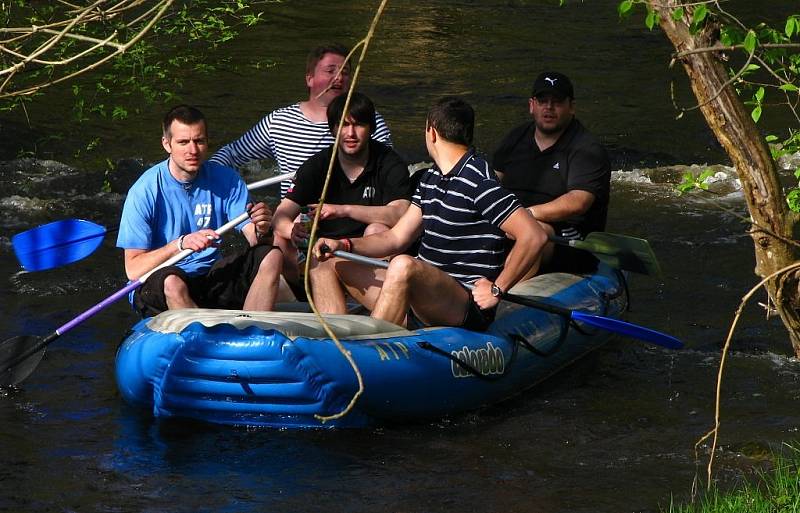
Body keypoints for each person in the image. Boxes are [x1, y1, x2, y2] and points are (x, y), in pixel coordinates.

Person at [313, 97, 547, 330]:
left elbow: (534, 235)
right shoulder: (431, 178)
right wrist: (343, 244)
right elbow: (395, 238)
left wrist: (497, 288)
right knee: (329, 261)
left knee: (404, 264)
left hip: (462, 303)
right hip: (423, 297)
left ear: (431, 132)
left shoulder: (478, 181)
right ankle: (330, 344)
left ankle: (370, 350)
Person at [209, 42, 393, 291]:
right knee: (276, 235)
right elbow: (231, 155)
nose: (339, 78)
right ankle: (298, 294)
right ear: (309, 78)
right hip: (300, 222)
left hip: (355, 222)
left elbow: (386, 176)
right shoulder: (280, 122)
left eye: (345, 72)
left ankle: (371, 294)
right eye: (330, 70)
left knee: (379, 228)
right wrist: (212, 180)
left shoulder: (369, 123)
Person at [116, 105, 284, 317]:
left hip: (209, 278)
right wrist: (180, 244)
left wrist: (263, 229)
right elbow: (133, 269)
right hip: (161, 282)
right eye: (183, 142)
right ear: (167, 144)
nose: (193, 151)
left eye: (199, 141)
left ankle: (252, 331)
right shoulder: (144, 191)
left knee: (271, 256)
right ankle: (203, 336)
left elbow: (256, 241)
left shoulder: (228, 180)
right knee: (173, 282)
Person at [271, 92, 412, 313]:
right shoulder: (317, 166)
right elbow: (281, 214)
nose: (350, 133)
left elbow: (400, 213)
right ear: (333, 129)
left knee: (377, 228)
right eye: (343, 125)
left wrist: (344, 210)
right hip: (324, 253)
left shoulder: (390, 163)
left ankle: (381, 307)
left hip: (368, 256)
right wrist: (292, 230)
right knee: (281, 237)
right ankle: (305, 304)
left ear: (371, 128)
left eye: (358, 125)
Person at [492, 71, 611, 276]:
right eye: (543, 101)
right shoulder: (515, 138)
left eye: (557, 102)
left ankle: (500, 294)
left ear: (571, 107)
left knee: (534, 231)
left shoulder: (587, 149)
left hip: (565, 241)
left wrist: (524, 215)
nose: (549, 107)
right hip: (511, 224)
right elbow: (492, 183)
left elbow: (578, 201)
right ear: (532, 105)